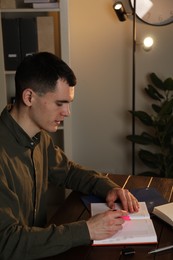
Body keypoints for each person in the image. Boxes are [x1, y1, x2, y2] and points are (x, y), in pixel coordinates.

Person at [0, 52, 139, 260]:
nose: (67, 112)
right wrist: (87, 230)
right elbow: (7, 243)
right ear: (29, 97)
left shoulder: (39, 138)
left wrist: (109, 188)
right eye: (60, 103)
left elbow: (69, 172)